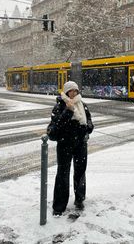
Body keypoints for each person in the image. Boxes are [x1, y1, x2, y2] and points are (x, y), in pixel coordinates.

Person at [49, 81, 94, 216]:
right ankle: (59, 206)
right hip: (65, 144)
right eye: (71, 91)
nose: (73, 93)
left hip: (80, 144)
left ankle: (79, 198)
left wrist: (87, 127)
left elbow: (90, 123)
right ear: (66, 92)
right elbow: (53, 129)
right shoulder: (60, 106)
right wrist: (68, 112)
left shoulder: (82, 105)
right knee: (63, 174)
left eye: (75, 91)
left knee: (80, 172)